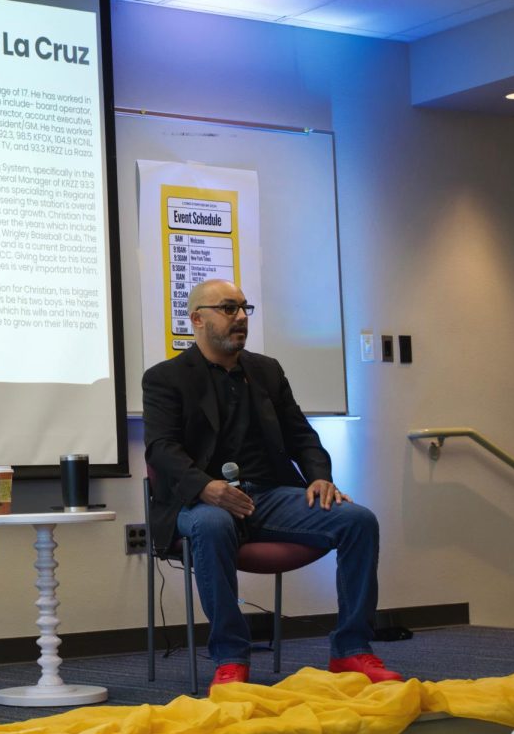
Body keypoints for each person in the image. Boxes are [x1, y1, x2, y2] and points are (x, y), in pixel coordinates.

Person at [142, 279, 402, 692]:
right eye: (228, 308)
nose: (241, 317)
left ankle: (351, 648)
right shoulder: (166, 378)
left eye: (245, 308)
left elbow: (301, 434)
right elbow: (160, 448)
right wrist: (206, 488)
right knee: (211, 525)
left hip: (269, 495)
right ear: (197, 320)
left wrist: (320, 476)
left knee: (358, 520)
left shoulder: (266, 371)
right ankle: (230, 657)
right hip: (202, 501)